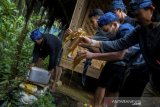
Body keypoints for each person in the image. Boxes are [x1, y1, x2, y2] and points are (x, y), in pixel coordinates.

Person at [79, 0, 160, 106]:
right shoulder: (140, 30)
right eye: (135, 15)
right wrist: (92, 42)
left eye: (138, 14)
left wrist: (92, 53)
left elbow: (119, 54)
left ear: (151, 9)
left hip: (137, 71)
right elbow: (119, 44)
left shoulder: (126, 29)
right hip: (152, 81)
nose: (136, 18)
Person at [79, 12, 136, 107]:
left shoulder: (125, 30)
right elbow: (102, 49)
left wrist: (92, 55)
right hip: (117, 61)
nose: (106, 34)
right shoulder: (115, 34)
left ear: (114, 24)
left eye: (106, 30)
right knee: (103, 83)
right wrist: (86, 45)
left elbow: (119, 55)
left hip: (127, 65)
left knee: (113, 90)